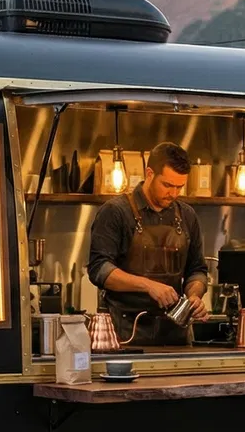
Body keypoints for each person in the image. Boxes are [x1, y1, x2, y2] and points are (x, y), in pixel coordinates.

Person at [88, 142, 210, 347]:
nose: (174, 194)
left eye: (180, 187)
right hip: (126, 333)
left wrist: (194, 296)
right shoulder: (115, 212)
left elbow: (197, 269)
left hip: (175, 335)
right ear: (150, 173)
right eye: (168, 185)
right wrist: (148, 285)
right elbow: (99, 269)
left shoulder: (187, 215)